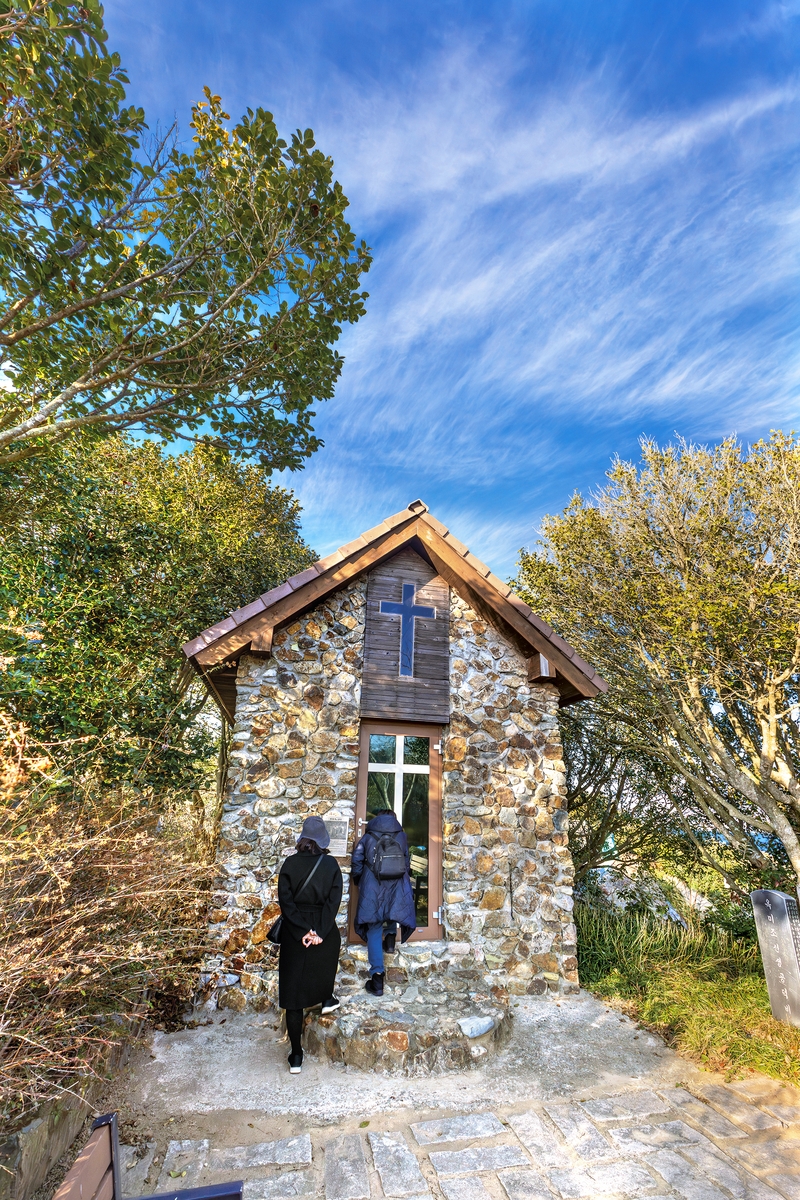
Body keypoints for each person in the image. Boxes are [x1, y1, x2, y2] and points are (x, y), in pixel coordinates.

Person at [277, 815, 343, 1074]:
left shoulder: (289, 864)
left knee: (293, 998)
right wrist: (319, 932)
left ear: (303, 839)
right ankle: (326, 998)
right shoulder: (331, 865)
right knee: (322, 973)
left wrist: (303, 931)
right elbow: (333, 903)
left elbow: (286, 903)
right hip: (324, 933)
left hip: (295, 935)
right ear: (323, 840)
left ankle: (295, 1056)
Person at [351, 806, 416, 997]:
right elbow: (406, 861)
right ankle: (390, 939)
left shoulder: (369, 835)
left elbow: (357, 859)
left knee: (373, 926)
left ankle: (377, 979)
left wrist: (359, 879)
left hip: (373, 884)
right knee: (393, 909)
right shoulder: (401, 836)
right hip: (396, 883)